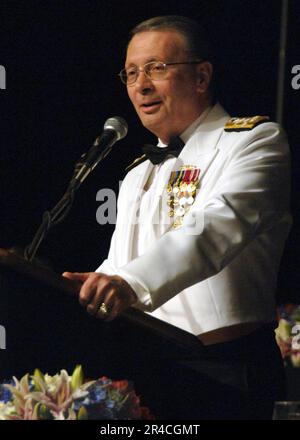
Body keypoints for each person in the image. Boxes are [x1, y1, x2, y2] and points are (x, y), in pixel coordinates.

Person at [63, 15, 291, 419]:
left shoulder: (256, 141)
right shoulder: (138, 171)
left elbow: (215, 227)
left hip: (225, 372)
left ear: (201, 77)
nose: (141, 85)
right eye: (131, 73)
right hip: (146, 372)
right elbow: (120, 267)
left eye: (156, 69)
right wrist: (82, 289)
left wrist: (128, 283)